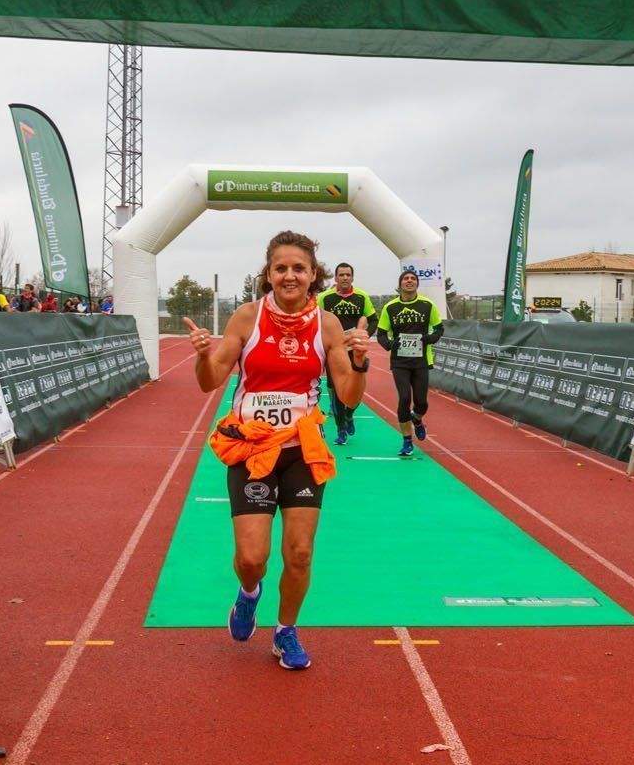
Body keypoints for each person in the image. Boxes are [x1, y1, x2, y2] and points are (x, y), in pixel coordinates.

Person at [184, 230, 370, 670]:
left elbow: (348, 396)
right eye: (281, 268)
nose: (290, 275)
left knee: (300, 553)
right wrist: (200, 355)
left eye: (299, 268)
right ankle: (249, 594)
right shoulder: (247, 319)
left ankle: (285, 631)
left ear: (313, 276)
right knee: (252, 559)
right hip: (251, 450)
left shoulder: (327, 325)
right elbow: (211, 381)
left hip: (302, 449)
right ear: (268, 274)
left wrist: (360, 362)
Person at [376, 270, 444, 458]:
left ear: (417, 284)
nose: (409, 281)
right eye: (406, 279)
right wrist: (390, 344)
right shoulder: (391, 307)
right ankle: (407, 440)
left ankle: (417, 419)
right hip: (400, 362)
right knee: (404, 398)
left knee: (421, 403)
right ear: (400, 284)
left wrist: (428, 339)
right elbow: (381, 334)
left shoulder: (427, 305)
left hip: (421, 361)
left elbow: (439, 329)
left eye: (413, 279)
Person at [318, 262, 377, 445]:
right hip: (333, 351)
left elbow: (373, 319)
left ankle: (350, 414)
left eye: (348, 275)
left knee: (355, 387)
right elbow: (315, 320)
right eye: (341, 275)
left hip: (354, 350)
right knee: (336, 390)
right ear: (335, 278)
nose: (344, 278)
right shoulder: (325, 298)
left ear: (352, 277)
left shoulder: (361, 297)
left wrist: (363, 336)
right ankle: (341, 429)